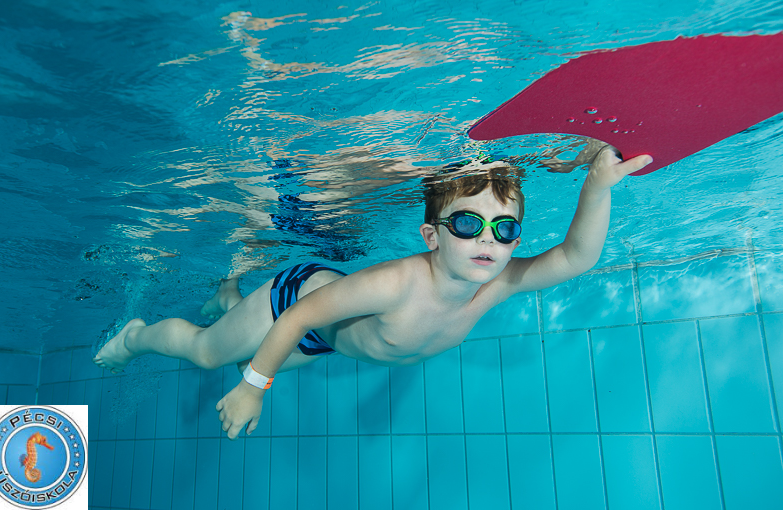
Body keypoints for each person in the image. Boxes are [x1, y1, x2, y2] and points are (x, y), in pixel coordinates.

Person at [93, 146, 652, 440]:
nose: (488, 240)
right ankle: (135, 337)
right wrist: (253, 388)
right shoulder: (397, 283)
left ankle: (229, 295)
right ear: (432, 235)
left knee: (244, 343)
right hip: (298, 304)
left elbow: (577, 257)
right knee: (209, 354)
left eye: (504, 229)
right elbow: (298, 318)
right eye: (468, 224)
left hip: (325, 341)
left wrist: (598, 184)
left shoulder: (498, 282)